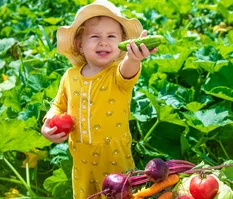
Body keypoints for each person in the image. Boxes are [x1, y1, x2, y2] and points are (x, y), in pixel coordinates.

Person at [39, 0, 157, 198]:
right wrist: (47, 124)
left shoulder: (117, 74)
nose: (104, 42)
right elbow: (58, 105)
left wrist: (133, 58)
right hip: (81, 159)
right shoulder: (70, 76)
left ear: (122, 43)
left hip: (115, 156)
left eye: (112, 36)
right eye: (95, 37)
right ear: (79, 44)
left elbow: (128, 70)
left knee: (120, 193)